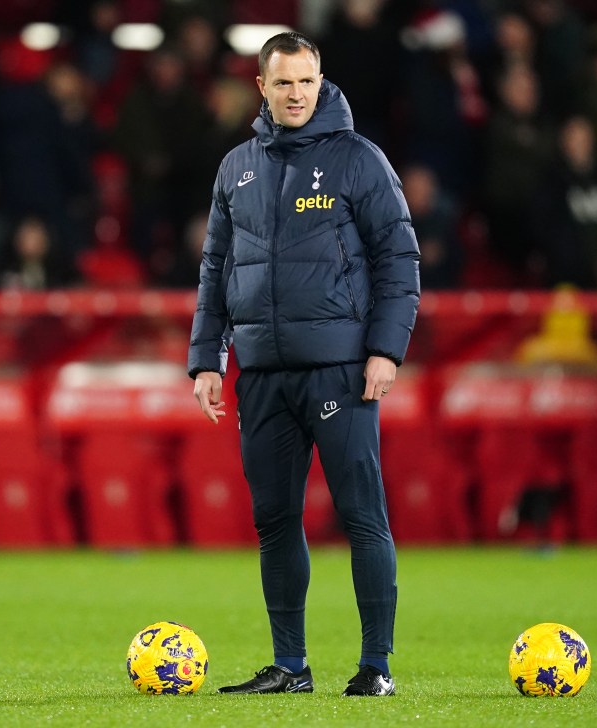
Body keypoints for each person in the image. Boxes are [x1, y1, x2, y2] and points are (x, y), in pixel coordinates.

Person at [187, 32, 420, 697]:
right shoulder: (236, 168)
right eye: (283, 82)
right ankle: (290, 667)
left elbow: (399, 260)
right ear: (261, 86)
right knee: (274, 522)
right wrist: (208, 359)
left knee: (361, 517)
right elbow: (214, 270)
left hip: (339, 370)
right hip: (261, 374)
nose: (296, 94)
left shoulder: (359, 161)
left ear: (322, 83)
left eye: (307, 81)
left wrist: (385, 349)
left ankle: (376, 667)